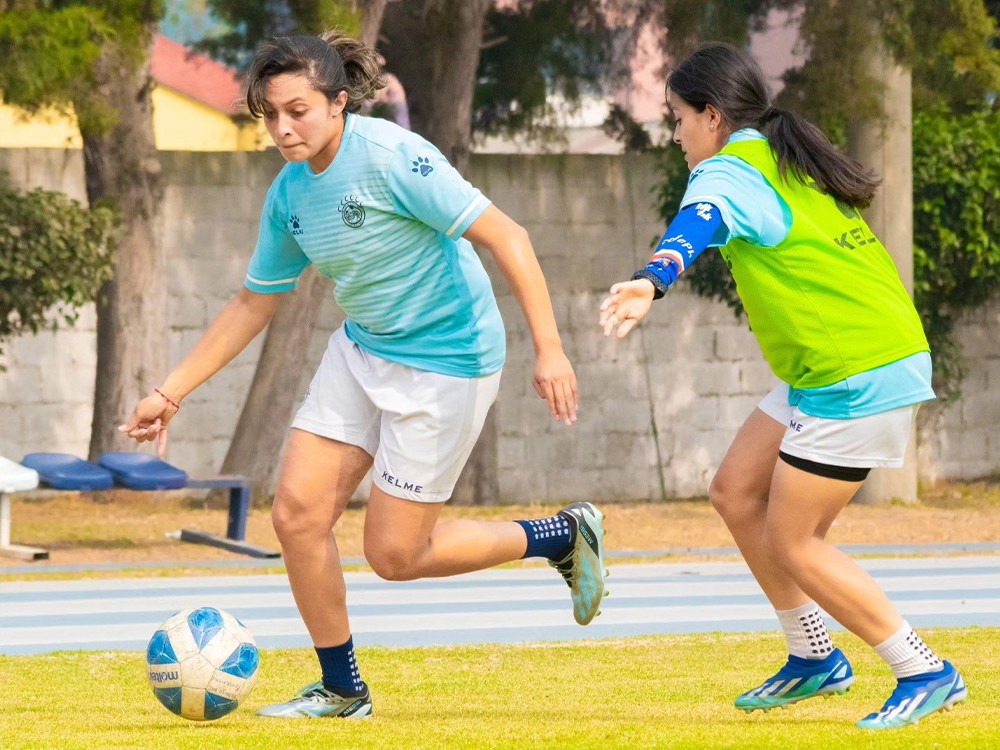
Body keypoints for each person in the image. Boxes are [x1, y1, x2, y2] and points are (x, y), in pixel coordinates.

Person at [120, 30, 607, 720]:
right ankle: (343, 690)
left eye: (298, 111)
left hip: (448, 361)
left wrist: (550, 349)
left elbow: (508, 237)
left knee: (396, 555)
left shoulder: (394, 156)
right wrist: (170, 392)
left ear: (339, 102)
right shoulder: (290, 194)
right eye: (271, 114)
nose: (283, 128)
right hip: (365, 348)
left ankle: (561, 535)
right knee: (294, 516)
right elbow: (253, 300)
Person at [599, 42, 966, 731]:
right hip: (833, 368)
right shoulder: (781, 157)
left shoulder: (734, 168)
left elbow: (698, 222)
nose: (676, 136)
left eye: (678, 119)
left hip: (854, 372)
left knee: (796, 540)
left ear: (711, 116)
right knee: (735, 491)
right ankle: (814, 658)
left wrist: (653, 279)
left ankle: (924, 668)